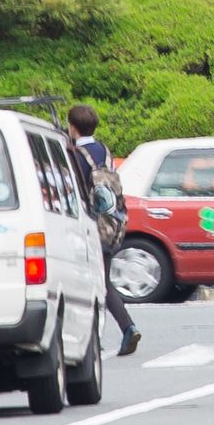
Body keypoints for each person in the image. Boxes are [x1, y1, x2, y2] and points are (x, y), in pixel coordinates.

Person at [69, 104, 140, 357]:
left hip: (88, 227)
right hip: (111, 223)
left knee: (93, 286)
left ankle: (112, 332)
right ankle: (125, 328)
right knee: (103, 282)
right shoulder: (104, 151)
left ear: (72, 127)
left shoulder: (75, 155)